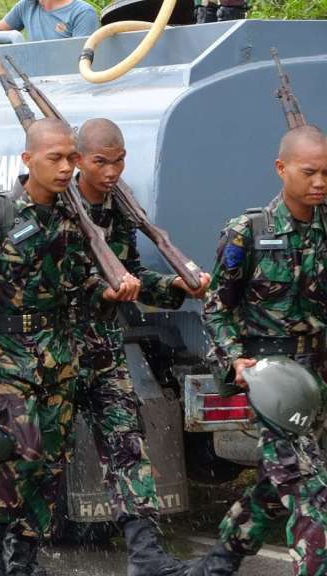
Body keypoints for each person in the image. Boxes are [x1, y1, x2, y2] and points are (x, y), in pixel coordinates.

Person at [0, 119, 138, 575]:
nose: (65, 167)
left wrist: (107, 292)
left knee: (52, 463)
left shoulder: (73, 216)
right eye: (54, 158)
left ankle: (24, 557)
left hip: (57, 355)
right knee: (23, 449)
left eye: (71, 158)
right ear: (27, 159)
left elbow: (80, 283)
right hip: (4, 353)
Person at [63, 118, 210, 576]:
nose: (111, 171)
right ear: (80, 161)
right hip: (53, 350)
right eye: (100, 161)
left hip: (104, 346)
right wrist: (98, 290)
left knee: (126, 443)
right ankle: (11, 550)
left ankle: (145, 553)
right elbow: (47, 282)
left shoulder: (118, 208)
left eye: (119, 160)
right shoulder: (57, 208)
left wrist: (179, 285)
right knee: (41, 454)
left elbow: (131, 276)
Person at [196, 125, 327, 576]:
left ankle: (222, 559)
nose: (320, 182)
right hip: (273, 380)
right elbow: (216, 309)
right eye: (310, 172)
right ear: (281, 169)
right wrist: (234, 360)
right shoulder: (248, 232)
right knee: (312, 491)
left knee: (277, 485)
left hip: (319, 375)